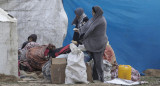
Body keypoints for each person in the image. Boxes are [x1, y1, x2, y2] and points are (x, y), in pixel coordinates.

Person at [79, 6, 108, 82]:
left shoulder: (100, 20)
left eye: (93, 11)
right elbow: (87, 25)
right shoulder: (95, 19)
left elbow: (90, 30)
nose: (92, 13)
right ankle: (95, 78)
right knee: (94, 62)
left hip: (99, 44)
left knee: (98, 62)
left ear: (97, 12)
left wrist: (83, 37)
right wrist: (80, 30)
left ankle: (101, 79)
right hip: (94, 43)